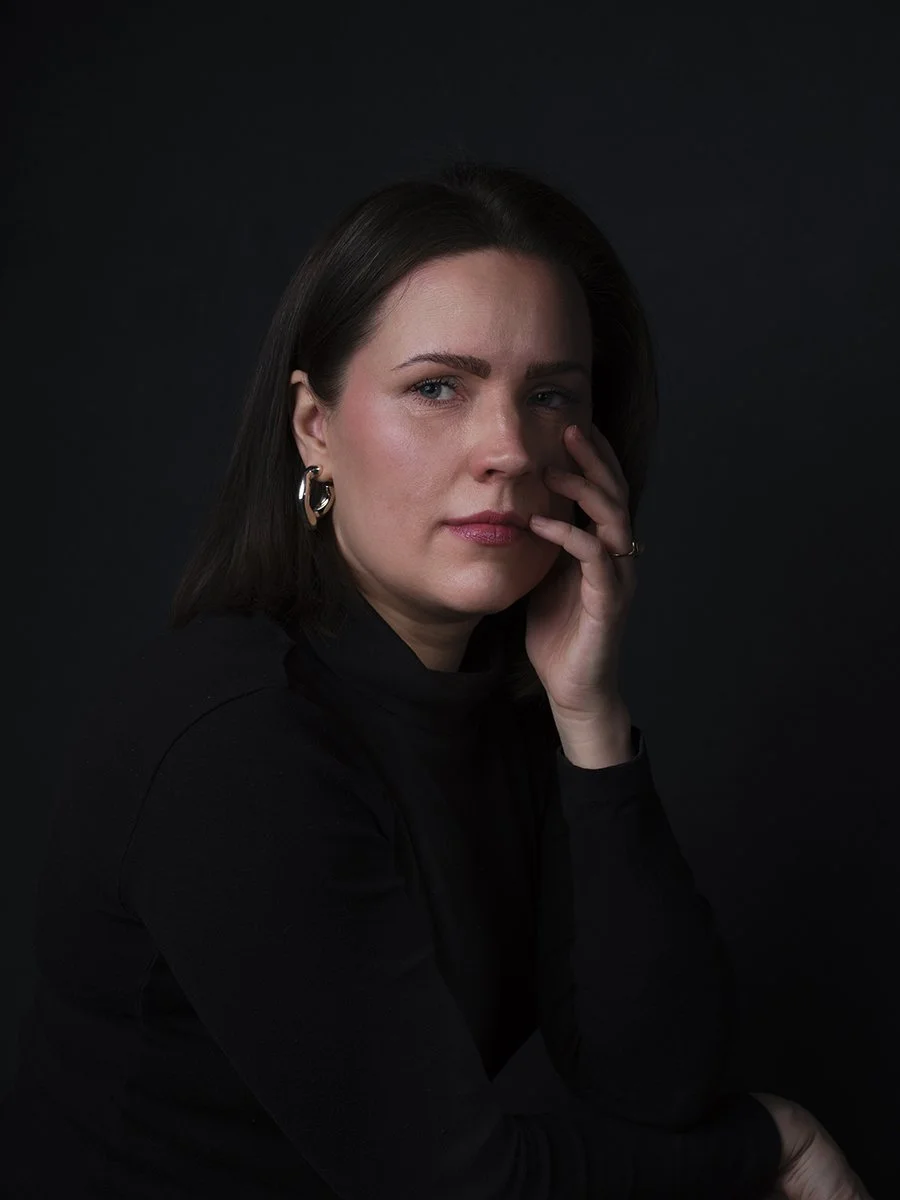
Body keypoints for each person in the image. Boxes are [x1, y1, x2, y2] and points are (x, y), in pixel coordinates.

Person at [0, 160, 872, 1199]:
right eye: (437, 389)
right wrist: (769, 1148)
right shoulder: (237, 741)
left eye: (550, 395)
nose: (506, 448)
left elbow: (659, 1081)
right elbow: (462, 1188)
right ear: (314, 428)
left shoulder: (499, 703)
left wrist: (590, 718)